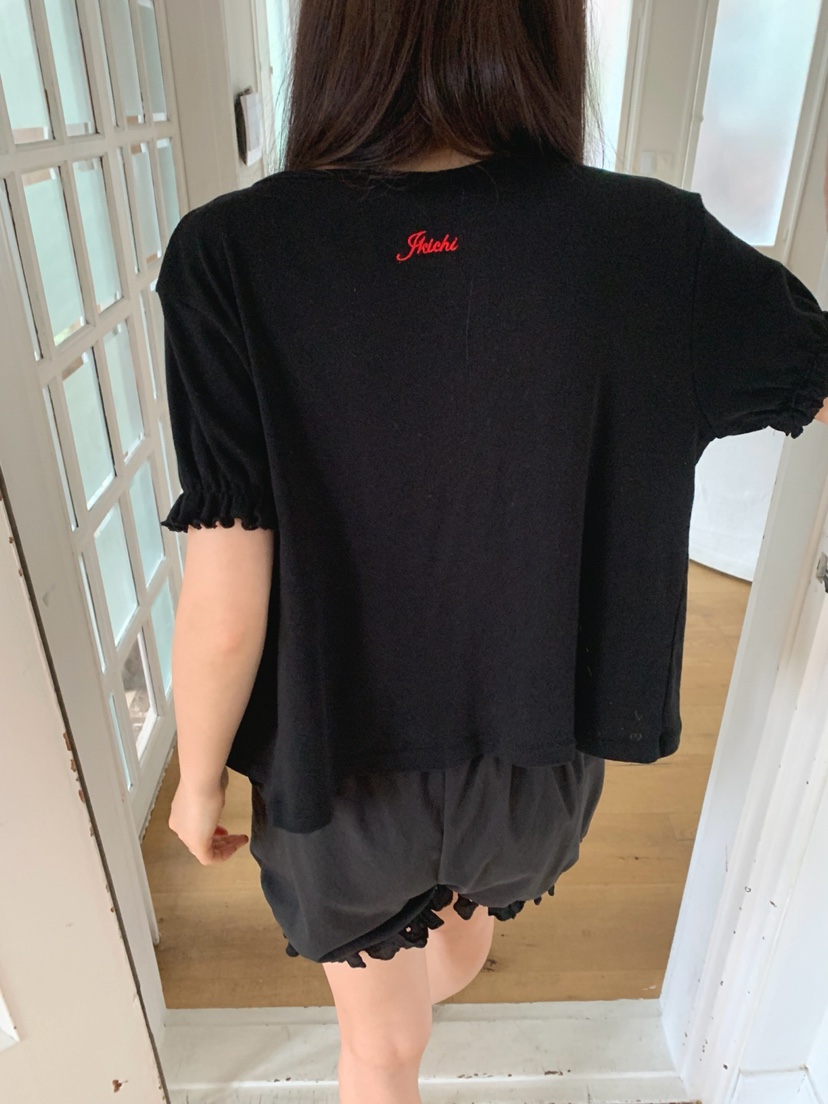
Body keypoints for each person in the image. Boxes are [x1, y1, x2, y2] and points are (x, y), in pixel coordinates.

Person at [160, 2, 828, 1101]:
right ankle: (444, 900)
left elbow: (226, 587)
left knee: (380, 1051)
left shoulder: (227, 255)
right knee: (454, 941)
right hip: (532, 772)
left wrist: (196, 783)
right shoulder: (649, 243)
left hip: (338, 780)